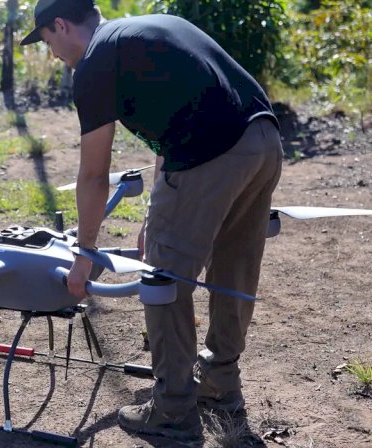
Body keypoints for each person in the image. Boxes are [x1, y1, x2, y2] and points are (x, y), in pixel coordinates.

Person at [21, 0, 283, 441]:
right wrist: (153, 213)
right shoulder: (148, 29)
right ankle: (220, 382)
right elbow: (172, 121)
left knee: (162, 279)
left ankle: (173, 408)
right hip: (264, 139)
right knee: (234, 267)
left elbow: (92, 173)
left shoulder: (94, 63)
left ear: (61, 25)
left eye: (48, 42)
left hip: (211, 151)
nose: (53, 54)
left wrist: (85, 254)